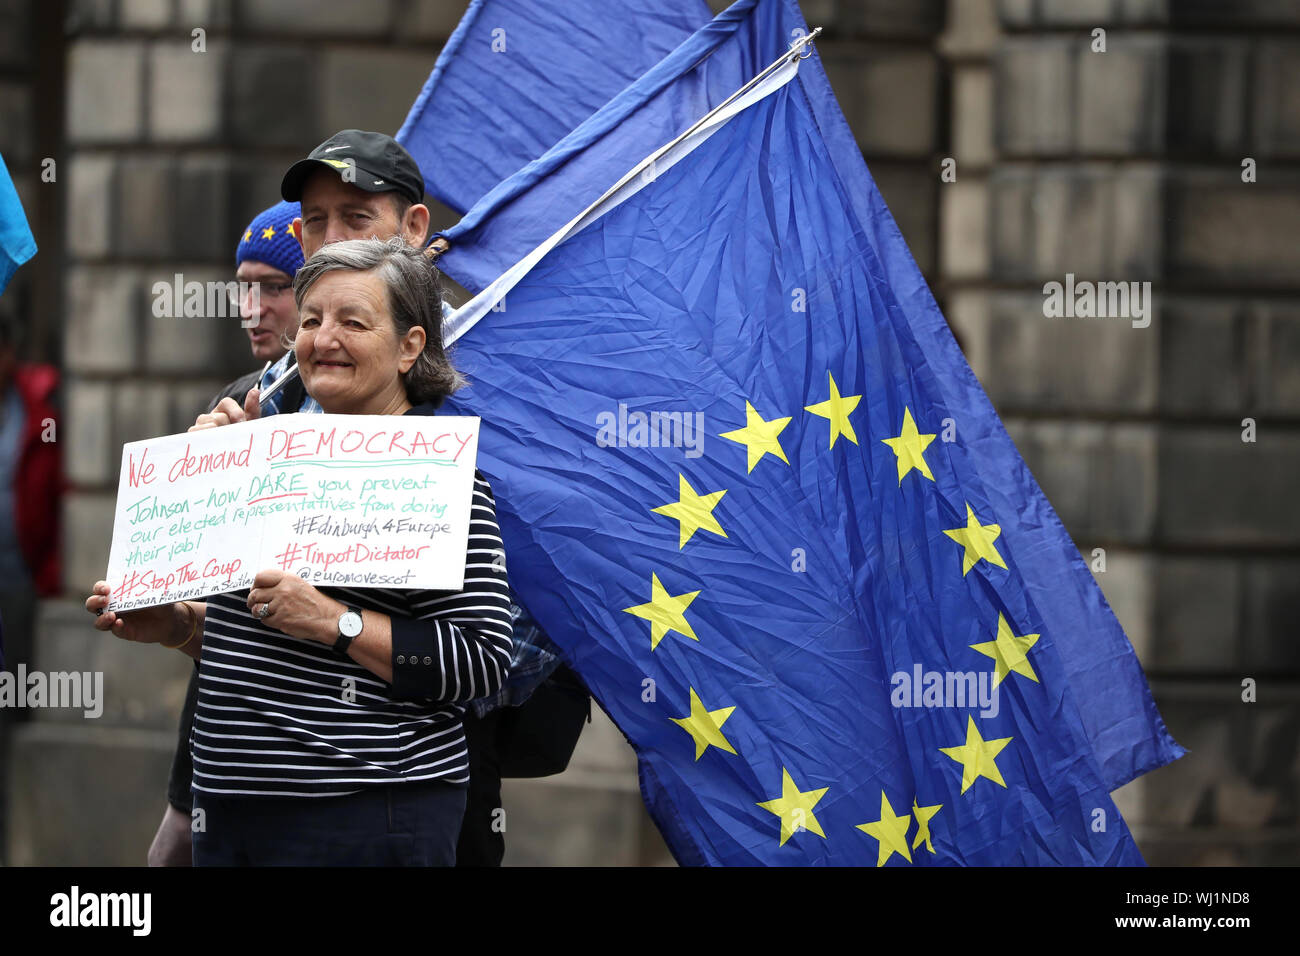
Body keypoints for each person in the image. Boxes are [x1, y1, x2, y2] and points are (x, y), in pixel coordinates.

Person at [88, 237, 513, 865]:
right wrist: (176, 624)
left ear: (410, 346)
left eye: (352, 322)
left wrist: (334, 622)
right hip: (228, 807)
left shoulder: (442, 479)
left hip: (369, 808)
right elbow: (262, 629)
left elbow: (481, 662)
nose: (322, 338)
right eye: (311, 320)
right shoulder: (263, 458)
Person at [147, 201, 304, 866]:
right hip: (219, 720)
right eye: (243, 287)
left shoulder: (366, 405)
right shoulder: (238, 397)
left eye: (274, 288)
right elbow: (196, 575)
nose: (253, 307)